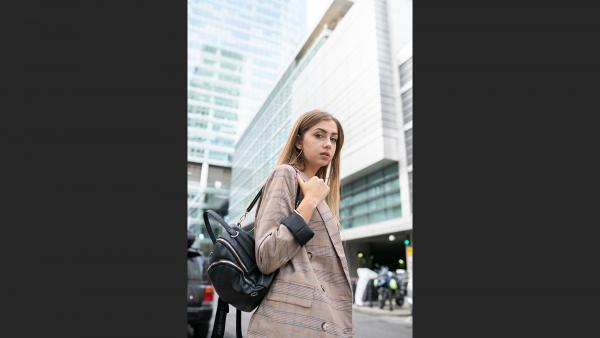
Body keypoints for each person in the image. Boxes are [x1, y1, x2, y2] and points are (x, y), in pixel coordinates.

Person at [247, 110, 353, 337]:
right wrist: (310, 201)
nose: (328, 144)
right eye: (319, 135)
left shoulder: (317, 189)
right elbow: (267, 255)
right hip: (290, 324)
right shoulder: (286, 174)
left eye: (333, 139)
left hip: (320, 320)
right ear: (298, 141)